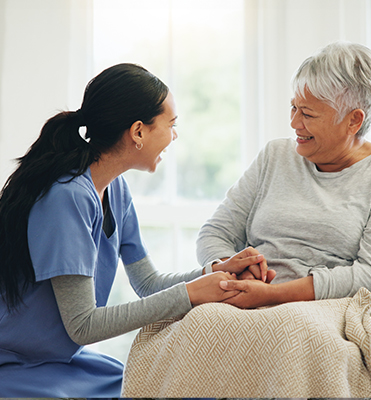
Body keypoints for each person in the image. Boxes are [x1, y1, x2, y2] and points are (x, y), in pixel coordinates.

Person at [0, 63, 268, 397]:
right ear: (138, 131)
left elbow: (148, 284)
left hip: (63, 363)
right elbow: (83, 325)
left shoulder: (116, 190)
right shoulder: (66, 197)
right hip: (17, 367)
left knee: (190, 389)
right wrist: (194, 293)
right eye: (171, 125)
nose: (174, 136)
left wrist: (216, 272)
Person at [196, 41, 371, 309]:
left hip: (327, 311)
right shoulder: (274, 155)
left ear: (353, 121)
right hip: (243, 299)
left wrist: (273, 295)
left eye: (308, 114)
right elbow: (215, 233)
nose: (294, 123)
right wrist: (230, 267)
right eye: (293, 107)